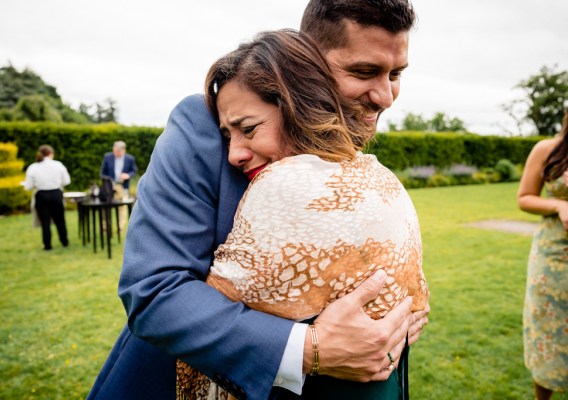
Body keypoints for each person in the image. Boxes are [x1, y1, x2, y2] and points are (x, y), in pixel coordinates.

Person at [88, 1, 429, 399]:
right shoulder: (205, 124)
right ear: (307, 62)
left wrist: (396, 316)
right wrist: (308, 350)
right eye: (363, 71)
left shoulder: (351, 147)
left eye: (396, 74)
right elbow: (154, 289)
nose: (386, 96)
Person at [176, 29, 428, 400]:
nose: (233, 154)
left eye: (248, 129)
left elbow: (207, 322)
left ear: (298, 106)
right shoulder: (382, 178)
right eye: (227, 136)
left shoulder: (283, 183)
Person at [517, 109, 568, 400]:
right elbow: (524, 197)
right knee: (548, 330)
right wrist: (559, 206)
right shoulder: (548, 149)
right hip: (554, 258)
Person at [23, 144, 71, 250]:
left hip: (42, 196)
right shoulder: (58, 165)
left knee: (45, 221)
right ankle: (64, 241)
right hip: (56, 194)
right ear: (51, 154)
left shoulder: (33, 167)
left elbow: (28, 186)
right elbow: (67, 181)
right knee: (60, 220)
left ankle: (47, 245)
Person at [100, 140, 137, 228]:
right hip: (110, 187)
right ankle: (105, 227)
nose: (116, 152)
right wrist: (109, 180)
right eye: (115, 150)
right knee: (105, 206)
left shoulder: (130, 159)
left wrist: (127, 175)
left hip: (123, 186)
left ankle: (120, 227)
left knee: (122, 207)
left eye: (118, 151)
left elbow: (134, 171)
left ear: (124, 150)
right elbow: (103, 173)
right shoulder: (107, 157)